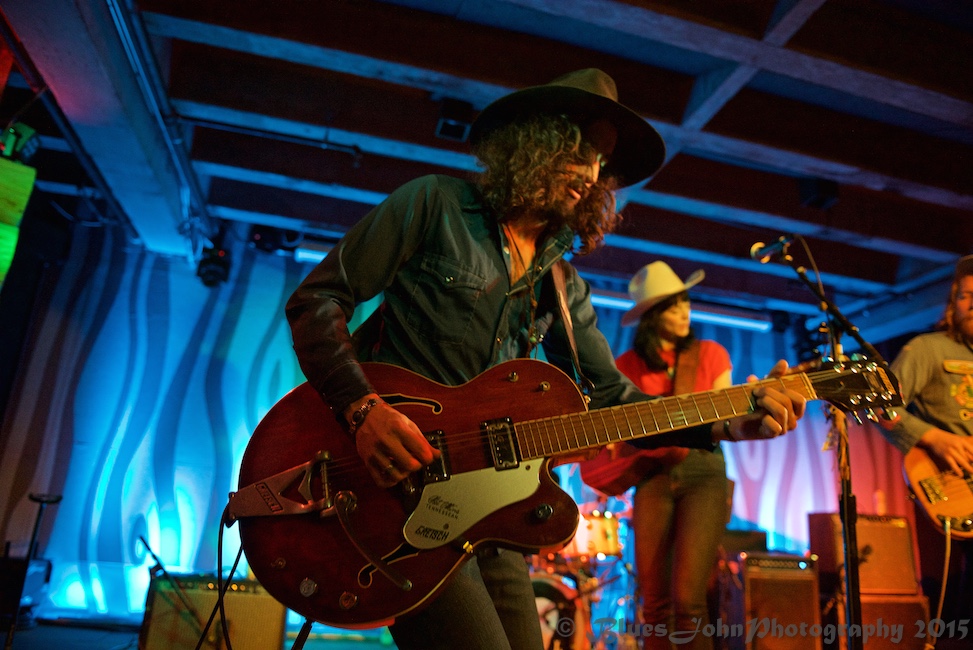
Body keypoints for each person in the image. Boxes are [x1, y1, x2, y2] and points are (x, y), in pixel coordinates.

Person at [285, 68, 807, 650]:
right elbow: (317, 300)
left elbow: (612, 397)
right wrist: (362, 409)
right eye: (579, 152)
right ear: (532, 141)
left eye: (601, 165)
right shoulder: (434, 204)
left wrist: (732, 420)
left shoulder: (564, 285)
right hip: (397, 500)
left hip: (492, 514)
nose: (590, 174)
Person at [608, 261, 731, 649]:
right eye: (673, 306)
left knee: (688, 601)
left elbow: (727, 419)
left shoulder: (710, 354)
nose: (685, 312)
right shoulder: (627, 366)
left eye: (685, 303)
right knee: (655, 603)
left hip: (703, 473)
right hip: (651, 476)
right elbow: (616, 434)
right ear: (651, 316)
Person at [879, 254, 973, 620]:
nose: (972, 303)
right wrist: (933, 437)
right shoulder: (927, 349)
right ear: (953, 302)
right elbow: (881, 406)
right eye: (965, 295)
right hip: (951, 485)